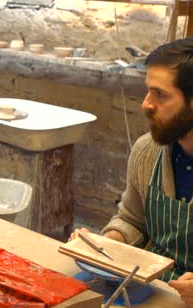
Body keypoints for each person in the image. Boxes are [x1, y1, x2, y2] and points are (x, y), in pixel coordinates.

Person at [69, 38, 193, 306]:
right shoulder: (147, 151)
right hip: (154, 289)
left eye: (160, 94)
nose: (146, 104)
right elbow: (133, 220)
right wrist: (107, 244)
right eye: (148, 91)